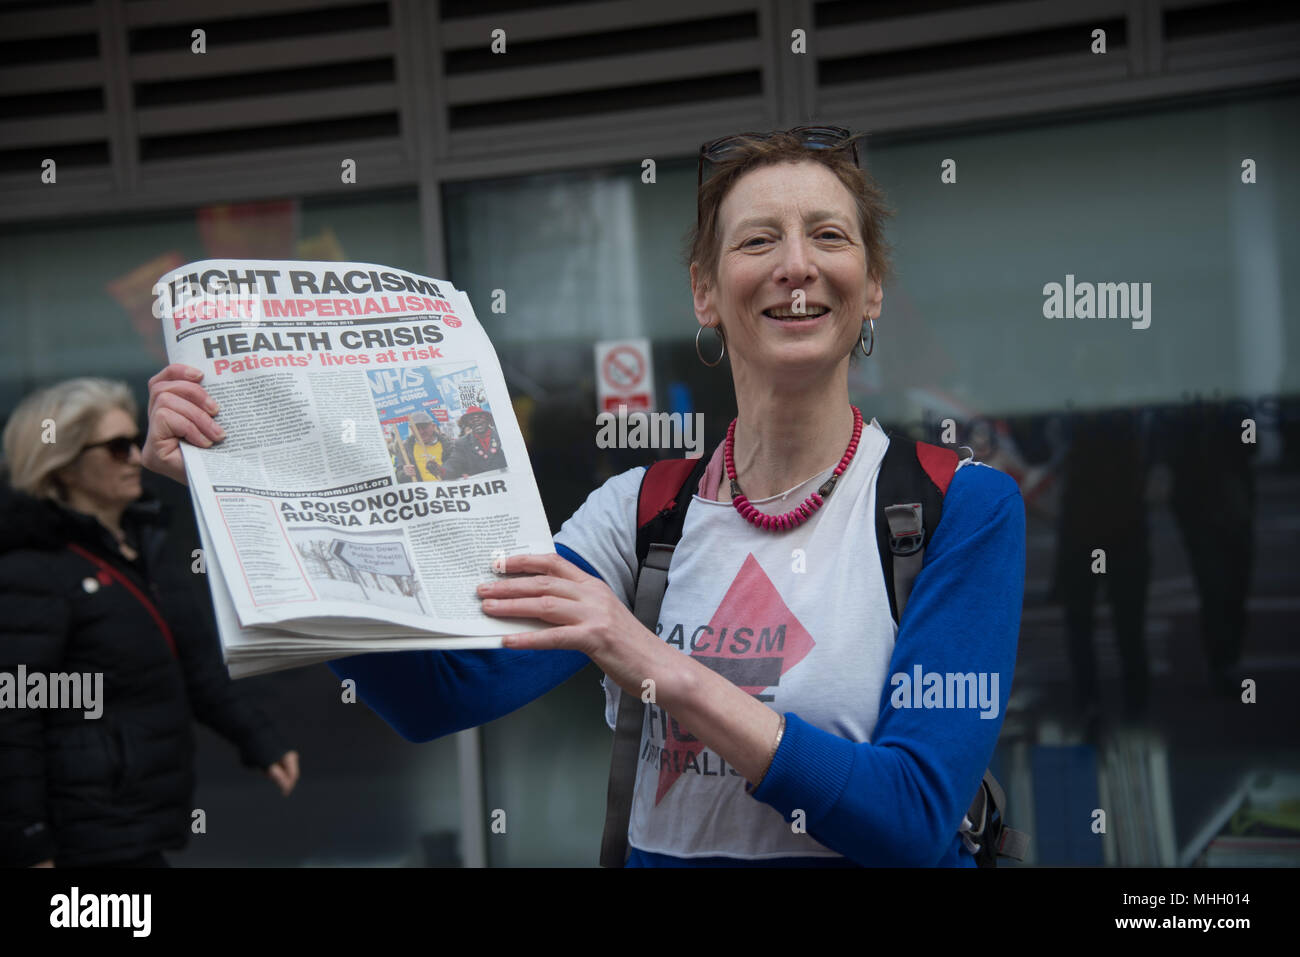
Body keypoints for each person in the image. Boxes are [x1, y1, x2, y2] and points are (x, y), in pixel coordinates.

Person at [139, 126, 1025, 866]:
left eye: (829, 236)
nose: (796, 264)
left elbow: (911, 817)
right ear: (705, 293)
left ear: (872, 286)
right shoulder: (638, 514)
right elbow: (437, 696)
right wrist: (249, 491)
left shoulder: (957, 507)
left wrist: (658, 664)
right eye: (758, 240)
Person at [0, 378, 299, 867]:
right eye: (118, 448)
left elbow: (196, 665)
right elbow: (12, 716)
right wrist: (28, 843)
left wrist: (258, 738)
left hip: (138, 822)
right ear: (64, 463)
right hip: (81, 836)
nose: (137, 457)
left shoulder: (142, 550)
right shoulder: (32, 569)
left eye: (133, 442)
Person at [441, 407, 506, 478]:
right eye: (471, 419)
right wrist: (442, 471)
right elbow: (453, 462)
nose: (476, 421)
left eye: (480, 417)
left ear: (487, 419)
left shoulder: (503, 435)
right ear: (467, 424)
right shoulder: (462, 443)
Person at [397, 411, 450, 483]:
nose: (421, 432)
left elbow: (458, 468)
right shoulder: (406, 449)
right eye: (417, 428)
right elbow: (398, 475)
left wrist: (442, 471)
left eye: (424, 427)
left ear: (433, 426)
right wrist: (404, 473)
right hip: (422, 491)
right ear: (412, 429)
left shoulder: (448, 444)